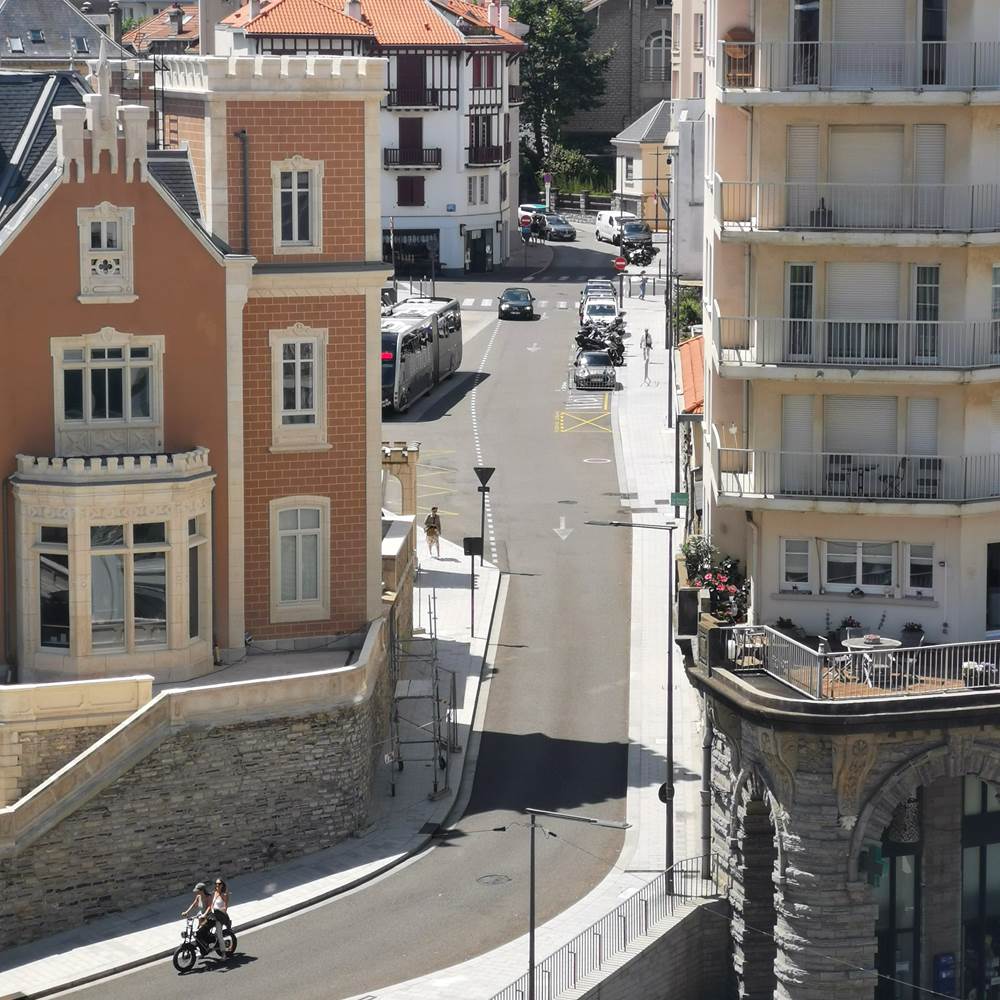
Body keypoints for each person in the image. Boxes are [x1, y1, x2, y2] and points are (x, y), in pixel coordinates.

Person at [181, 882, 215, 952]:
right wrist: (186, 912)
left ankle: (206, 948)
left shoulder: (208, 897)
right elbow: (193, 904)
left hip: (210, 918)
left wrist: (204, 914)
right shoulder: (198, 896)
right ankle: (204, 948)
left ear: (202, 890)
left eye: (197, 890)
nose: (196, 892)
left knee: (198, 934)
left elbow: (209, 907)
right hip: (202, 918)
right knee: (199, 933)